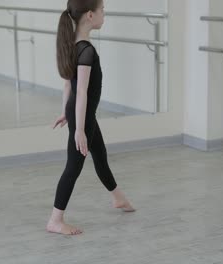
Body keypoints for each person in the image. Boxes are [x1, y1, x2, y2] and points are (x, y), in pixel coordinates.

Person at [47, 0, 135, 236]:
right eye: (102, 10)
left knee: (101, 156)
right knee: (73, 167)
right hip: (83, 117)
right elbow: (82, 91)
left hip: (82, 115)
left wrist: (66, 112)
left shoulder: (73, 45)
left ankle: (118, 197)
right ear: (89, 15)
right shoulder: (86, 50)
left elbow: (68, 84)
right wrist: (78, 129)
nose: (104, 14)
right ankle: (55, 220)